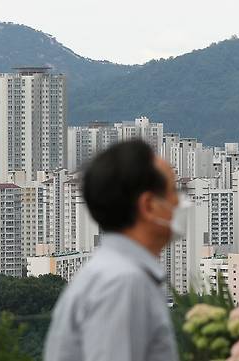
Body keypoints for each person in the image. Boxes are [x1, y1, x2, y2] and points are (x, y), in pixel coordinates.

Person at [43, 140, 189, 361]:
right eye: (173, 191)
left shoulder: (116, 273)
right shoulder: (122, 283)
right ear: (148, 206)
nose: (180, 201)